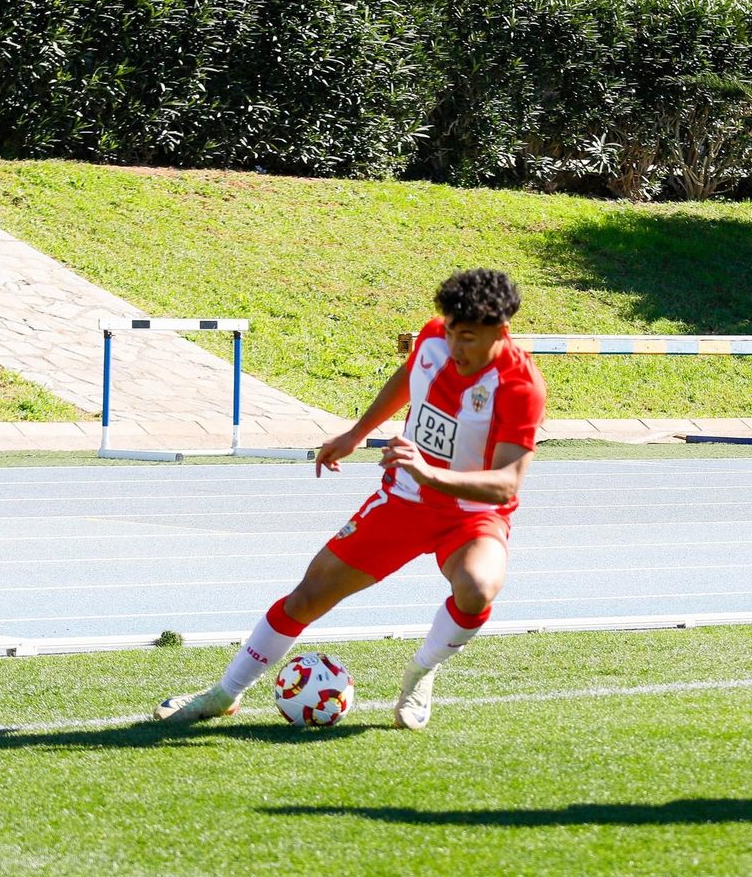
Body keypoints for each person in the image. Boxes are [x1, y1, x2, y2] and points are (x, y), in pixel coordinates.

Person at [156, 269, 546, 730]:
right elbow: (410, 374)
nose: (455, 348)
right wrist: (358, 432)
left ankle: (421, 671)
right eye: (451, 333)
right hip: (403, 502)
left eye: (468, 338)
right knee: (307, 597)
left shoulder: (520, 386)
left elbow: (505, 483)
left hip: (472, 515)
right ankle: (223, 694)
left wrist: (428, 470)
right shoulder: (435, 337)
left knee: (477, 589)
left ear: (501, 331)